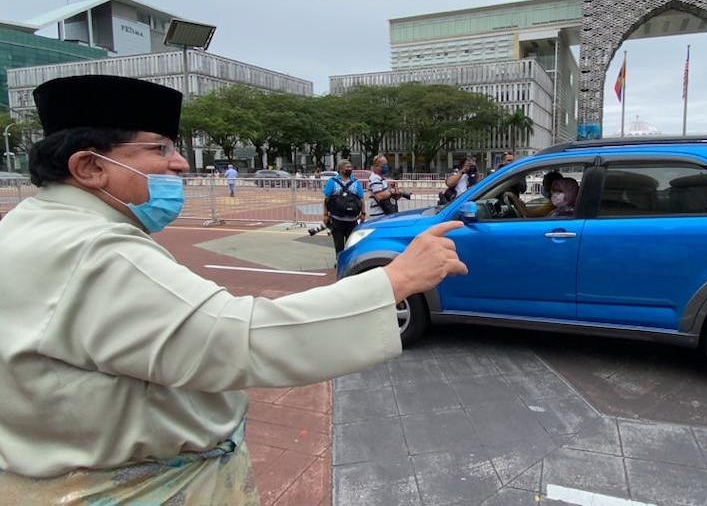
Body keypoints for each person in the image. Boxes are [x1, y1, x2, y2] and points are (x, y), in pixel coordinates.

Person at [0, 75, 468, 504]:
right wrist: (397, 280)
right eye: (159, 149)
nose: (180, 163)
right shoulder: (95, 250)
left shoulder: (29, 227)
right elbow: (236, 339)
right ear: (88, 167)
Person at [323, 159, 366, 258]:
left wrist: (363, 213)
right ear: (340, 169)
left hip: (352, 219)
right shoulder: (332, 182)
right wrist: (325, 215)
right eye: (347, 168)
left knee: (351, 244)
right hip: (336, 219)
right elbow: (326, 199)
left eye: (350, 167)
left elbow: (361, 199)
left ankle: (348, 261)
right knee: (339, 244)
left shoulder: (356, 182)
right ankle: (339, 261)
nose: (350, 169)